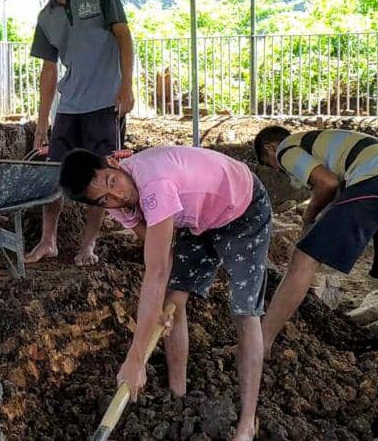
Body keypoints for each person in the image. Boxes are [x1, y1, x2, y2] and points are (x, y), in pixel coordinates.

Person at [60, 146, 270, 441]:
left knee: (244, 313)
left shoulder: (153, 184)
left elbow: (156, 270)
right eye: (103, 199)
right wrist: (160, 307)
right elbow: (163, 255)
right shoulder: (120, 206)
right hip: (197, 220)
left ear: (111, 163)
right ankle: (177, 396)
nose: (117, 197)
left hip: (242, 208)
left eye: (111, 181)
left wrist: (136, 357)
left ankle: (247, 423)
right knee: (173, 303)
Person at [253, 126, 378, 377]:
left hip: (377, 180)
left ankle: (260, 345)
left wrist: (309, 217)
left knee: (303, 259)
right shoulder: (326, 143)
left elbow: (326, 183)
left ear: (269, 148)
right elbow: (339, 191)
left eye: (271, 165)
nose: (278, 169)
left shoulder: (286, 147)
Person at [25, 0, 136, 267]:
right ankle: (49, 241)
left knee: (101, 174)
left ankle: (88, 245)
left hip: (104, 104)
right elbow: (49, 70)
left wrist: (127, 86)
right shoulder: (46, 17)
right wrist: (43, 120)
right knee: (55, 174)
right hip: (69, 107)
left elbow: (124, 36)